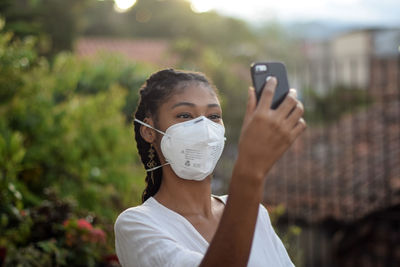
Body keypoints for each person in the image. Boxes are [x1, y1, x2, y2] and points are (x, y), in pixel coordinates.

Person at [114, 68, 306, 267]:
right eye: (185, 115)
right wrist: (249, 171)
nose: (204, 128)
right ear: (148, 131)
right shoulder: (137, 224)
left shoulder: (256, 214)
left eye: (214, 116)